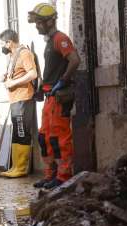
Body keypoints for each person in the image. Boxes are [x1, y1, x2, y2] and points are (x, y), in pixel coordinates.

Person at [29, 3, 81, 189]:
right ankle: (51, 175)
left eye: (39, 22)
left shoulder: (61, 39)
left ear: (50, 21)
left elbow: (74, 60)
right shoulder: (50, 42)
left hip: (59, 96)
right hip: (50, 95)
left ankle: (64, 176)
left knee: (60, 137)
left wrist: (63, 81)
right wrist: (42, 88)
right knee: (45, 137)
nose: (37, 26)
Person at [0, 29, 39, 178]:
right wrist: (6, 77)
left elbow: (32, 73)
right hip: (15, 98)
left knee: (21, 132)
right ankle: (16, 166)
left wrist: (14, 82)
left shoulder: (24, 53)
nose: (2, 46)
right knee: (17, 132)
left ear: (9, 43)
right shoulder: (13, 55)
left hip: (23, 98)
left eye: (2, 43)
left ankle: (21, 168)